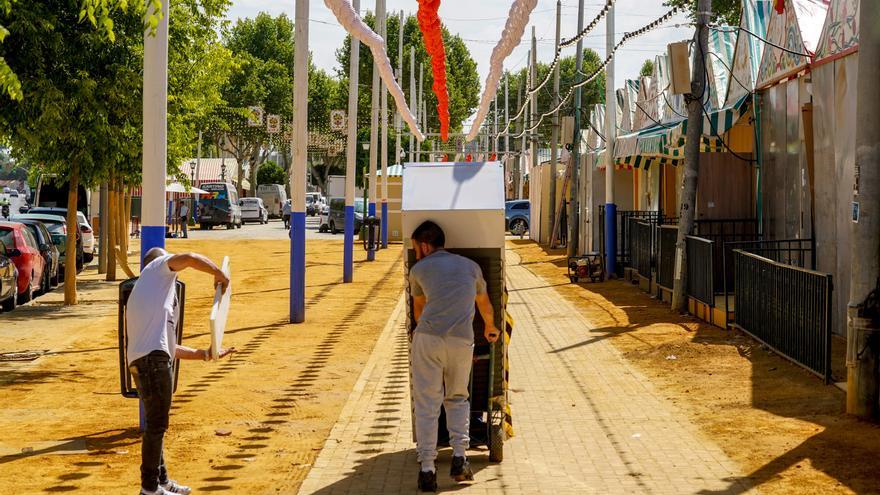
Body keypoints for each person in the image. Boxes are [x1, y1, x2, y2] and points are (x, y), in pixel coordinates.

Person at [126, 247, 236, 495]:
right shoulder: (156, 268)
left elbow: (170, 347)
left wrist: (205, 354)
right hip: (151, 362)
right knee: (156, 426)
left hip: (146, 361)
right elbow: (189, 258)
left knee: (157, 424)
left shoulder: (152, 298)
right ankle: (149, 488)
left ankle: (161, 481)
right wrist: (219, 274)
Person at [408, 220, 500, 492]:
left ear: (424, 245)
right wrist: (491, 328)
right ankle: (460, 459)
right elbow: (484, 306)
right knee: (458, 397)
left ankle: (427, 469)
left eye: (416, 248)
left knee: (427, 403)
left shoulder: (418, 269)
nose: (416, 253)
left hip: (428, 339)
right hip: (462, 340)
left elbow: (418, 314)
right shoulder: (471, 267)